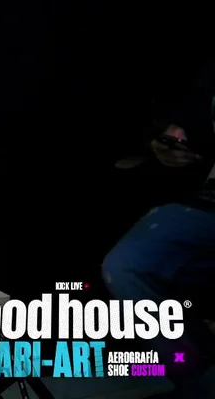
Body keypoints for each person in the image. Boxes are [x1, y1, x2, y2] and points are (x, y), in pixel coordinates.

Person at [103, 67, 215, 398]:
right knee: (126, 264)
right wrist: (168, 142)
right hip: (207, 204)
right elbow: (182, 125)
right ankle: (197, 380)